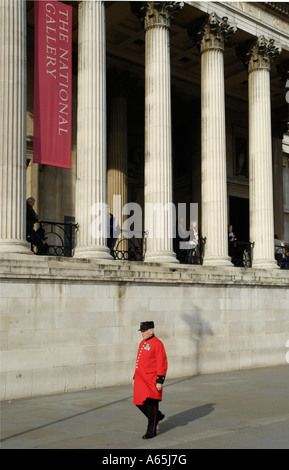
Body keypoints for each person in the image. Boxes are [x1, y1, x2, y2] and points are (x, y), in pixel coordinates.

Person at [132, 321, 168, 439]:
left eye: (143, 331)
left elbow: (161, 363)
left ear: (151, 331)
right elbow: (139, 362)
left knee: (151, 405)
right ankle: (157, 416)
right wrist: (134, 377)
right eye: (141, 331)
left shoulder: (158, 344)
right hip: (141, 378)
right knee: (139, 402)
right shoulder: (143, 343)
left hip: (152, 379)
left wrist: (160, 380)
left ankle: (151, 431)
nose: (142, 333)